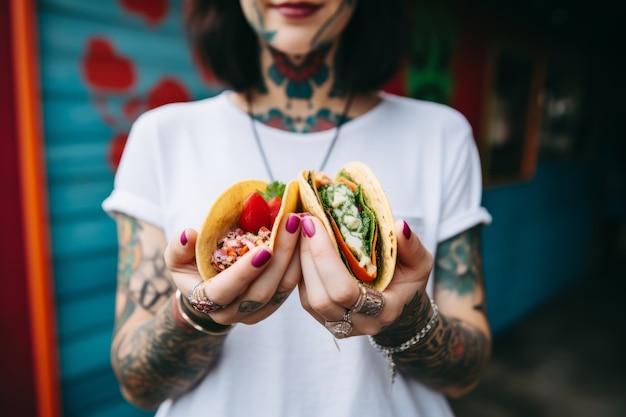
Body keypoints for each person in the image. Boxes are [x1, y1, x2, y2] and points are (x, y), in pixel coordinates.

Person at [102, 0, 493, 415]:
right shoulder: (161, 138)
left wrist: (407, 320)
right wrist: (197, 315)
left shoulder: (441, 137)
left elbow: (465, 374)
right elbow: (137, 385)